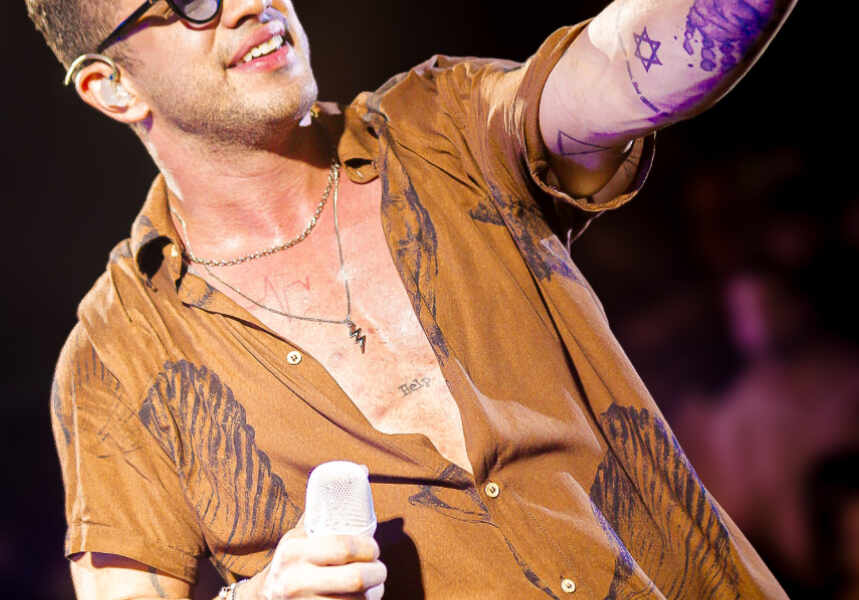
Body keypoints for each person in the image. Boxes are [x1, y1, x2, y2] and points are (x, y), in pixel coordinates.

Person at [27, 0, 797, 597]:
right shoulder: (115, 356)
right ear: (111, 86)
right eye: (192, 2)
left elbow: (626, 65)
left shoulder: (444, 127)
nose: (249, 4)